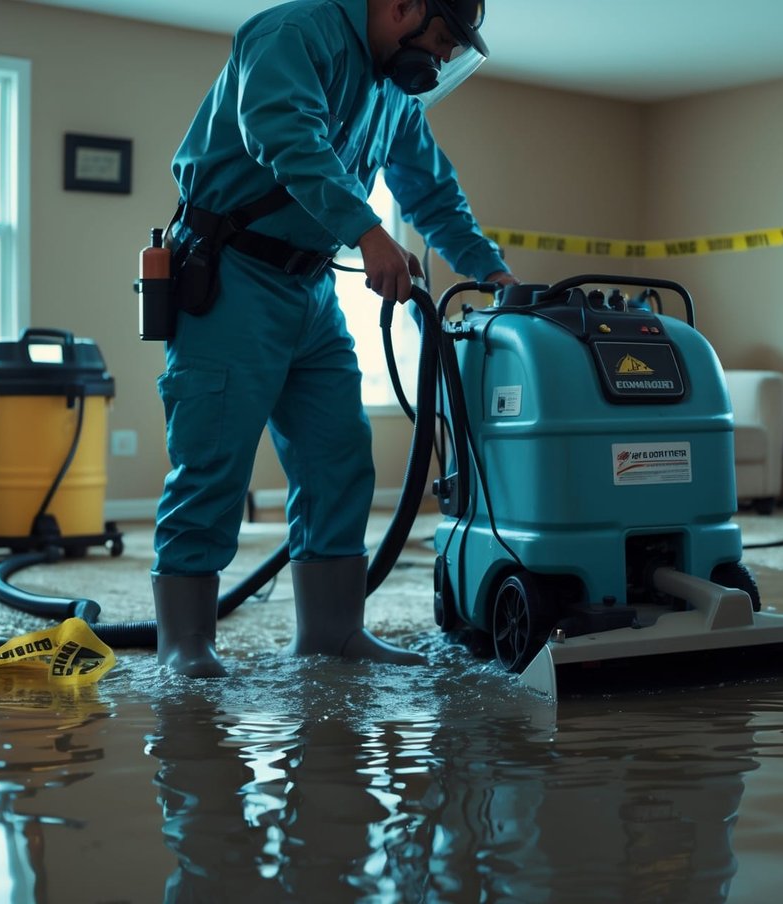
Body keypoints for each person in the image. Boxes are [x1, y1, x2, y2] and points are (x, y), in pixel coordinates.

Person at [152, 0, 517, 678]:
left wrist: (492, 271)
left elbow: (431, 193)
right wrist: (367, 231)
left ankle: (332, 633)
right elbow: (283, 132)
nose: (438, 60)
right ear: (400, 6)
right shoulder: (294, 33)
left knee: (338, 456)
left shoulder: (393, 93)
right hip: (232, 272)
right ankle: (185, 643)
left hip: (311, 289)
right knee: (213, 458)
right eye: (438, 41)